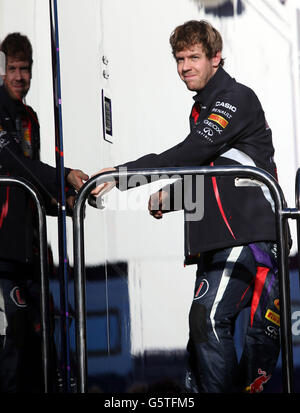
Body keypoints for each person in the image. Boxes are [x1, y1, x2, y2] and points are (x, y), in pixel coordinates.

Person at [91, 20, 283, 393]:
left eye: (194, 57)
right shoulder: (202, 111)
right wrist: (173, 196)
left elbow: (193, 153)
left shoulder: (236, 97)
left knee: (215, 324)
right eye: (179, 59)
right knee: (202, 334)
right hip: (220, 240)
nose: (185, 67)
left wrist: (122, 174)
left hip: (251, 237)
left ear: (216, 57)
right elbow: (214, 171)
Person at [0, 32, 88, 392]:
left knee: (43, 337)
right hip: (3, 252)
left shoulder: (30, 117)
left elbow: (30, 179)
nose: (20, 76)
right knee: (14, 338)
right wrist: (64, 175)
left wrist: (62, 202)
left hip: (32, 249)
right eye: (12, 68)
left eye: (25, 69)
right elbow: (14, 165)